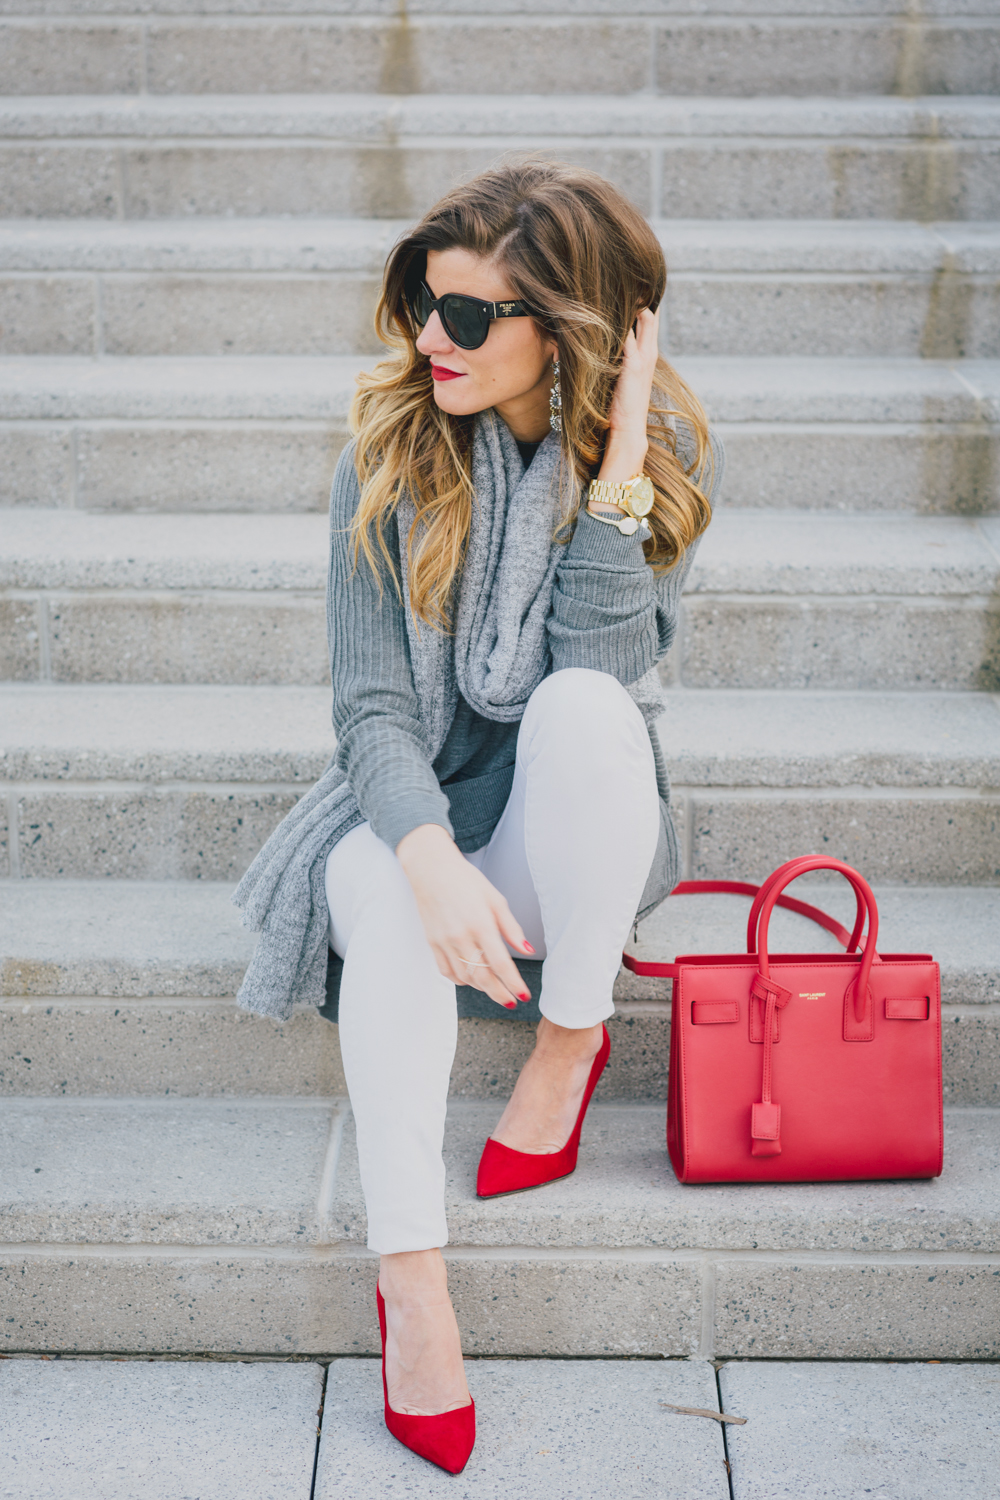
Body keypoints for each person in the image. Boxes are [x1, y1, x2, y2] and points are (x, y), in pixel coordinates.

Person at [234, 159, 722, 1475]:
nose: (430, 343)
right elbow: (374, 717)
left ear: (560, 336)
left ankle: (571, 1044)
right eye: (422, 306)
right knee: (392, 888)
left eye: (468, 318)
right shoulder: (385, 459)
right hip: (412, 813)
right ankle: (415, 1283)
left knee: (582, 711)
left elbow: (602, 672)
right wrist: (430, 853)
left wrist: (615, 469)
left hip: (565, 826)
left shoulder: (643, 474)